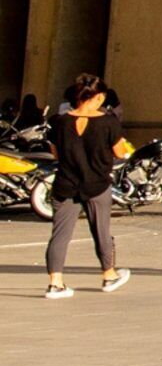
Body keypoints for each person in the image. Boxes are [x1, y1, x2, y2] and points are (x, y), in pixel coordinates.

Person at [40, 73, 123, 299]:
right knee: (101, 231)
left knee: (60, 235)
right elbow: (120, 152)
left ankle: (55, 283)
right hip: (97, 184)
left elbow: (55, 152)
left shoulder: (58, 121)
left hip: (65, 183)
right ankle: (109, 275)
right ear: (97, 97)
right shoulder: (109, 122)